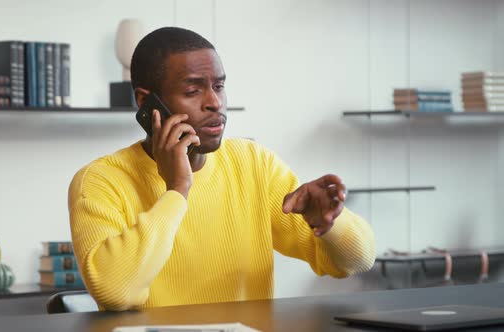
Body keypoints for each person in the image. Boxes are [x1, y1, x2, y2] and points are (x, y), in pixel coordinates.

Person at [68, 27, 375, 311]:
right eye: (193, 91)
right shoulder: (101, 181)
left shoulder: (254, 164)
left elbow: (357, 261)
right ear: (147, 104)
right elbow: (114, 292)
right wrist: (176, 191)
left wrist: (331, 223)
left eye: (219, 86)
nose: (214, 102)